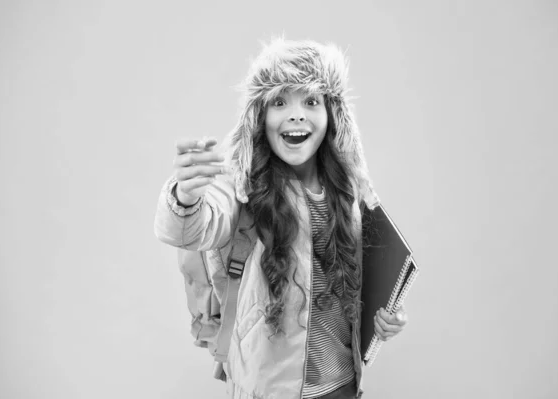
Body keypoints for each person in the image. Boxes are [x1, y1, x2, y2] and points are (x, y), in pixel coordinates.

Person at [154, 38, 408, 399]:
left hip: (345, 385)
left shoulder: (349, 189)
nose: (296, 114)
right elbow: (195, 228)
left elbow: (359, 285)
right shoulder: (240, 187)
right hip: (270, 391)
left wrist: (384, 320)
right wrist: (185, 196)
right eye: (279, 101)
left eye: (311, 101)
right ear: (260, 116)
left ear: (331, 113)